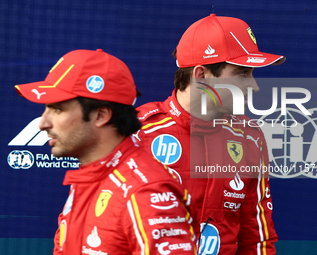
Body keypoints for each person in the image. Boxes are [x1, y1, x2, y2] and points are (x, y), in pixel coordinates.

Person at [14, 49, 196, 255]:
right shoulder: (90, 176)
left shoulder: (146, 193)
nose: (43, 123)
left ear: (100, 116)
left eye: (57, 109)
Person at [135, 14, 285, 254]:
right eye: (242, 73)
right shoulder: (136, 133)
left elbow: (257, 241)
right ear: (201, 76)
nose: (254, 86)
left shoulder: (250, 137)